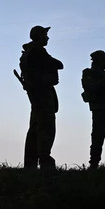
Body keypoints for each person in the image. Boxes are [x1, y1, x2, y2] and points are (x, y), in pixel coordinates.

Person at [19, 25, 64, 171]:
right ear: (39, 36)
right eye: (45, 35)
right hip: (42, 95)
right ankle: (45, 162)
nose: (48, 37)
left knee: (34, 129)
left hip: (37, 96)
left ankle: (30, 166)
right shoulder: (38, 52)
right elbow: (59, 64)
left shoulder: (29, 52)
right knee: (46, 128)